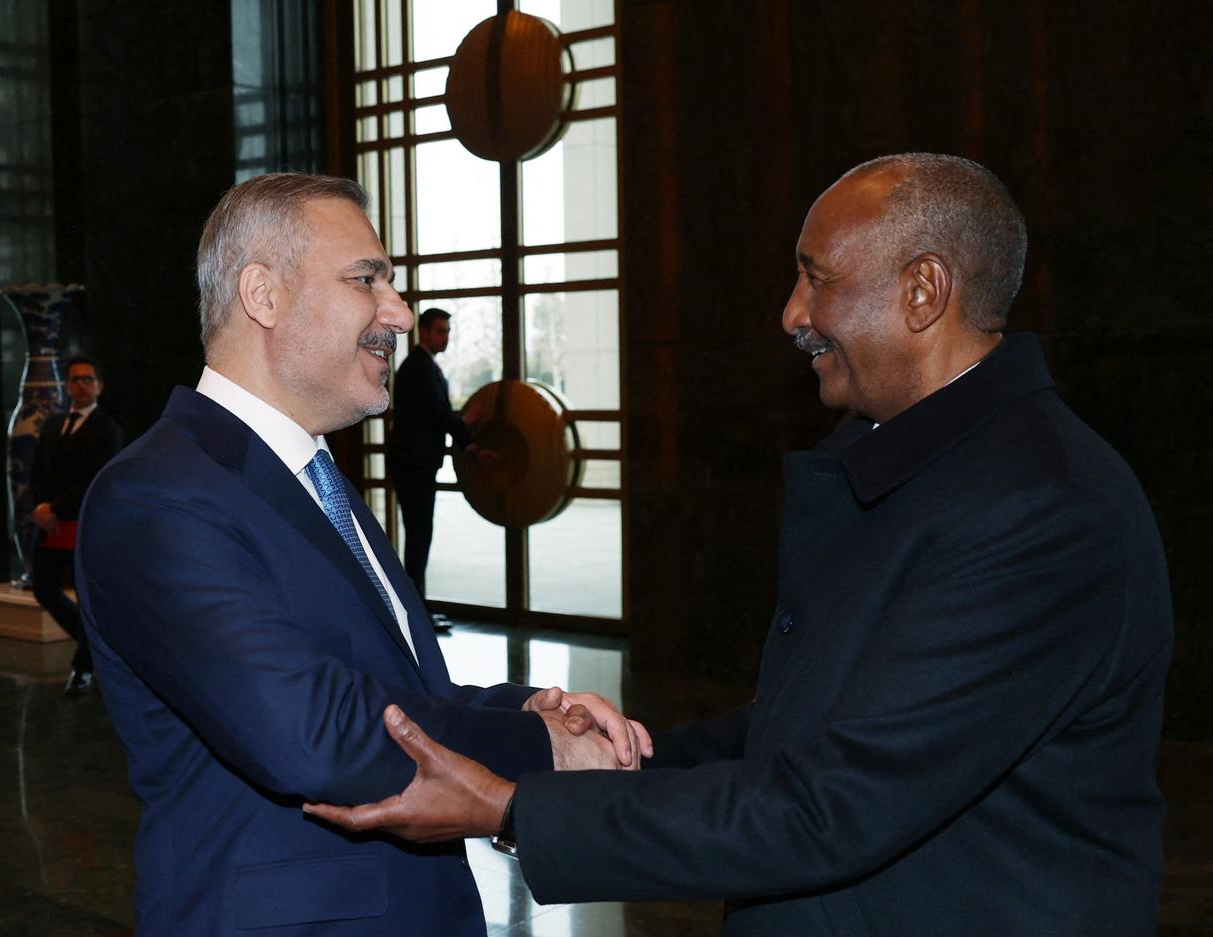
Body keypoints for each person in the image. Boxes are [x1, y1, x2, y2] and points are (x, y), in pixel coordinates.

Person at [304, 154, 1174, 937]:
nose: (792, 313)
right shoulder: (927, 464)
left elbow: (831, 805)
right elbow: (808, 727)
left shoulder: (1040, 507)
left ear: (923, 291)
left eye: (816, 278)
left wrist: (513, 809)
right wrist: (617, 757)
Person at [74, 173, 649, 937]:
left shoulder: (315, 478)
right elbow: (309, 726)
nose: (400, 313)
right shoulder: (155, 495)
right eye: (366, 280)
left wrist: (526, 705)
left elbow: (396, 692)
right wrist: (538, 746)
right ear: (263, 295)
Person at [29, 354, 122, 696]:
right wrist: (40, 506)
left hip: (86, 524)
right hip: (50, 524)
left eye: (87, 379)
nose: (80, 385)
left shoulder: (108, 429)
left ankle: (83, 668)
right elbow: (37, 470)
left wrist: (56, 507)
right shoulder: (53, 424)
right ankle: (94, 650)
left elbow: (97, 478)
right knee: (44, 587)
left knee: (88, 597)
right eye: (74, 379)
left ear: (99, 386)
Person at [388, 306, 478, 598]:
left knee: (419, 536)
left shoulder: (423, 365)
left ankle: (418, 607)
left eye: (448, 332)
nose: (446, 338)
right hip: (413, 465)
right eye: (441, 331)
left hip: (416, 464)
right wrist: (467, 433)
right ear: (424, 331)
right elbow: (438, 414)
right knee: (418, 536)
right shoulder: (419, 367)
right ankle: (416, 609)